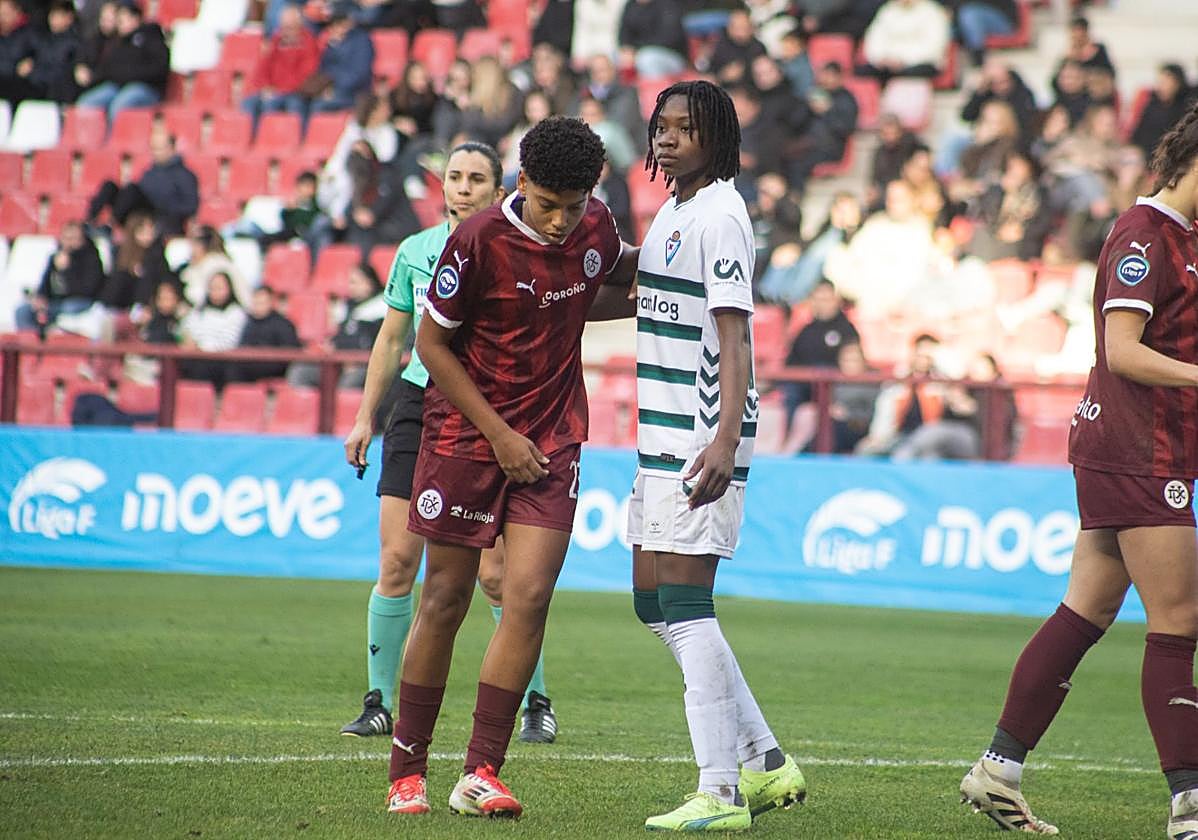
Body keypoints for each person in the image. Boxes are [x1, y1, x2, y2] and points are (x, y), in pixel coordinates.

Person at [381, 116, 636, 818]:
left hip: (553, 438)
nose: (559, 221)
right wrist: (498, 435)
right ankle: (407, 773)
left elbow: (603, 278)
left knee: (528, 598)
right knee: (445, 598)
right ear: (521, 182)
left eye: (573, 207)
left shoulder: (595, 227)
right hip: (467, 437)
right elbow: (431, 346)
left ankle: (481, 772)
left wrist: (684, 265)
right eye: (547, 204)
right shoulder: (477, 240)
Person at [959, 103, 1198, 837]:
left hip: (1134, 448)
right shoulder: (1143, 233)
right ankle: (1190, 804)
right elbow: (1122, 350)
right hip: (1138, 451)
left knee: (1086, 610)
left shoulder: (1183, 238)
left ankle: (998, 769)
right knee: (1179, 620)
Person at [630, 79, 805, 833]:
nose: (667, 139)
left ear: (717, 137)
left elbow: (735, 335)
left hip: (700, 435)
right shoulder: (674, 209)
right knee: (652, 601)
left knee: (686, 605)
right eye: (660, 127)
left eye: (684, 128)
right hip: (658, 433)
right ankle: (765, 759)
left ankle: (721, 791)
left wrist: (725, 439)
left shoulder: (723, 215)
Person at [340, 141, 559, 745]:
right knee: (396, 561)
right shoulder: (415, 252)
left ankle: (534, 701)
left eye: (476, 178)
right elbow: (392, 340)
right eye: (455, 177)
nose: (463, 187)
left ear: (500, 189)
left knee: (497, 574)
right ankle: (378, 702)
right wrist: (364, 417)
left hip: (491, 409)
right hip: (418, 405)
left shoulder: (514, 248)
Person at [87, 129, 199, 237]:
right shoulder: (150, 171)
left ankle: (111, 225)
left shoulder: (185, 175)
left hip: (158, 215)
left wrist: (164, 204)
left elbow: (190, 205)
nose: (155, 153)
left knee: (131, 189)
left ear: (172, 148)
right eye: (153, 148)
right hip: (137, 209)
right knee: (110, 185)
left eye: (159, 149)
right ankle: (89, 222)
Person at [74, 0, 168, 123]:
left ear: (135, 18)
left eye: (123, 18)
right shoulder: (118, 42)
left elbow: (160, 68)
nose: (120, 23)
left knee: (119, 105)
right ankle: (89, 136)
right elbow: (108, 68)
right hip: (119, 87)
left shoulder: (151, 37)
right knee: (86, 103)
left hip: (146, 88)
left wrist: (132, 75)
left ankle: (113, 135)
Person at [15, 221, 105, 333]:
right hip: (54, 302)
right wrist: (41, 297)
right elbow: (45, 283)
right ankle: (32, 340)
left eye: (74, 238)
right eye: (66, 238)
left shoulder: (91, 259)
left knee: (69, 307)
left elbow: (87, 290)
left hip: (80, 301)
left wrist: (66, 270)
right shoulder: (56, 257)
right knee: (22, 311)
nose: (69, 243)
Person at [239, 4, 319, 130]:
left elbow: (307, 74)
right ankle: (249, 138)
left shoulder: (308, 43)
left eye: (290, 27)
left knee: (276, 104)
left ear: (299, 26)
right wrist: (265, 87)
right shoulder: (276, 41)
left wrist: (279, 90)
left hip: (295, 93)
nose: (286, 31)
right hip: (273, 91)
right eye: (284, 27)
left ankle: (275, 136)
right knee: (248, 103)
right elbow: (263, 68)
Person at [178, 272, 247, 389]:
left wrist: (202, 348)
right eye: (212, 287)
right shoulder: (199, 311)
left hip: (223, 362)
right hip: (198, 360)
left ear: (229, 289)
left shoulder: (236, 313)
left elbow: (230, 342)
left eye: (219, 288)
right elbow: (188, 331)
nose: (215, 291)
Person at [232, 286, 300, 383]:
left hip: (273, 368)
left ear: (271, 302)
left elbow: (290, 353)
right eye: (256, 303)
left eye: (262, 302)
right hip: (247, 365)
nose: (258, 306)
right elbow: (241, 347)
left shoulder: (283, 324)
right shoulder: (248, 323)